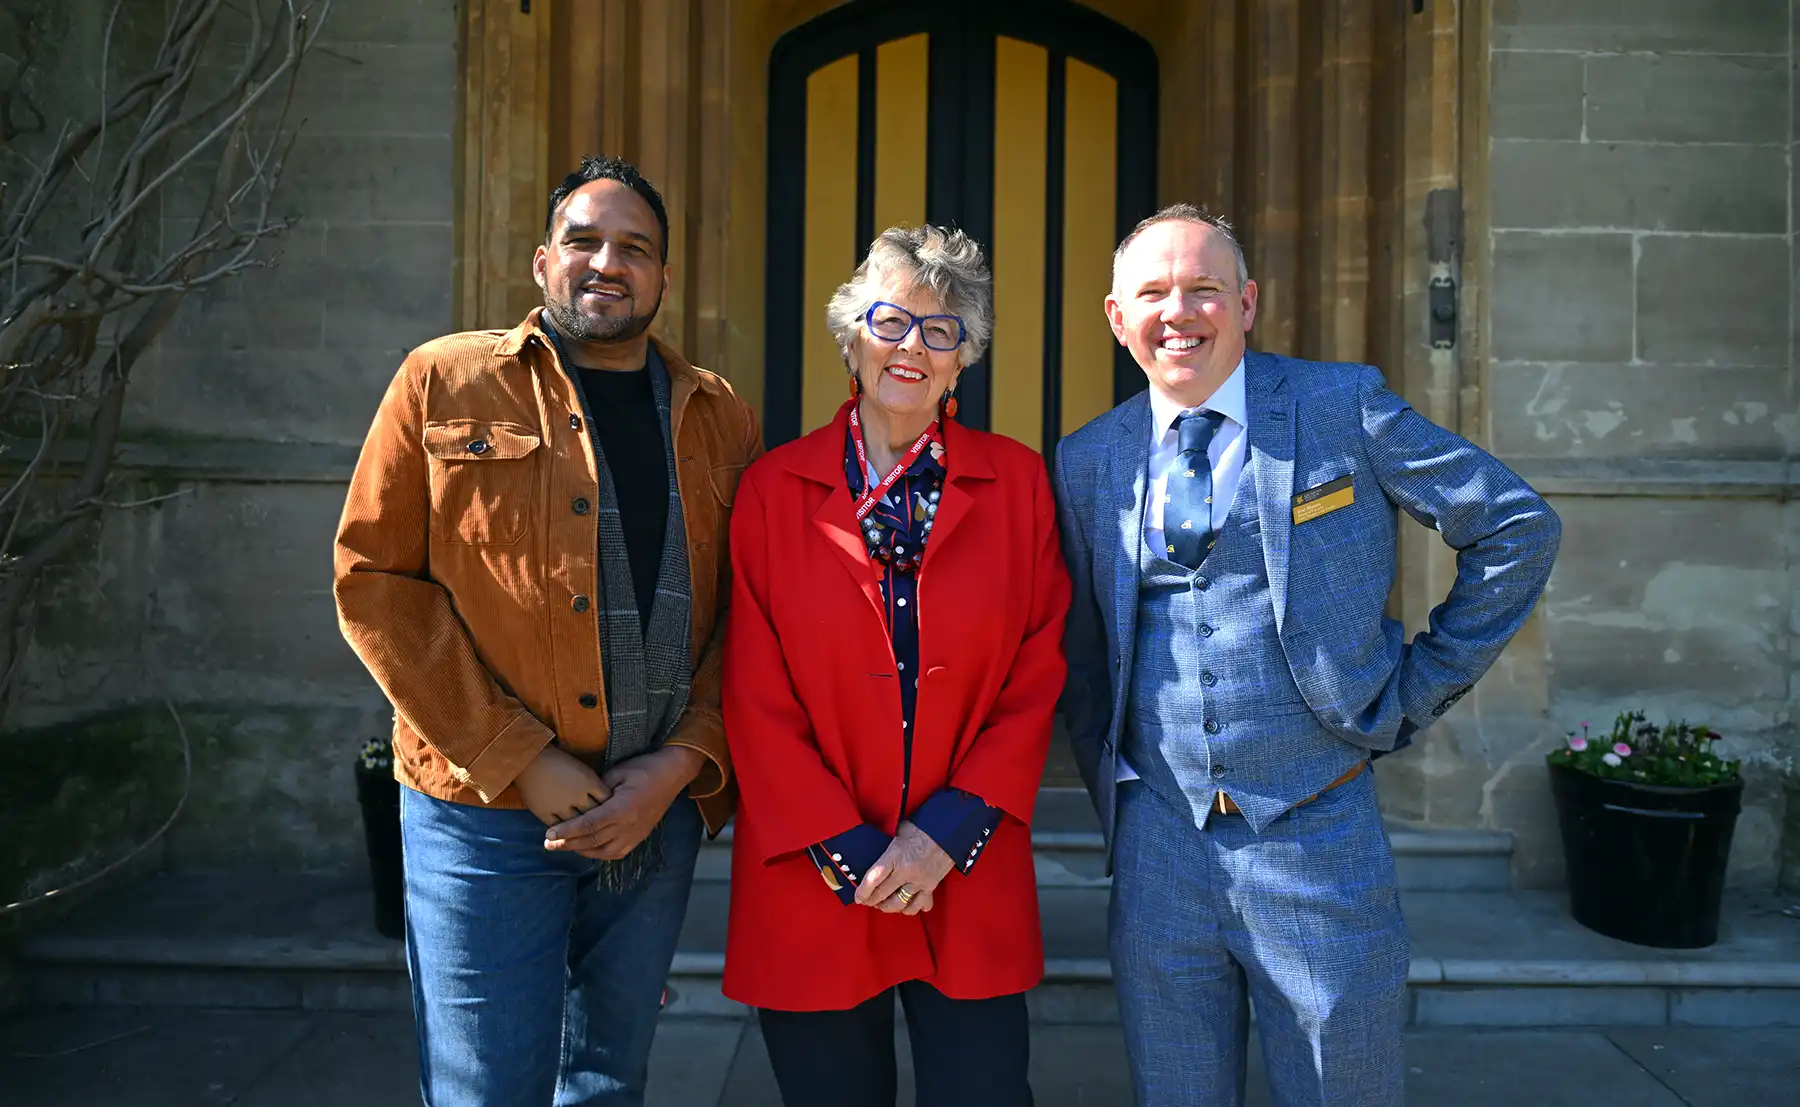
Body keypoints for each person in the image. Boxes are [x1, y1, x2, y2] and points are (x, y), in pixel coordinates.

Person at [1053, 205, 1561, 1107]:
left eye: (1205, 288)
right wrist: (1120, 797)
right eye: (1155, 292)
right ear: (1116, 316)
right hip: (1159, 848)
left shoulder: (1340, 406)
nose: (1181, 310)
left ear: (1246, 303)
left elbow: (1516, 524)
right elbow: (1085, 653)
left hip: (1315, 827)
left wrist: (1417, 686)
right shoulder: (1088, 458)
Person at [333, 155, 761, 1107]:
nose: (608, 262)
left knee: (609, 1081)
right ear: (541, 261)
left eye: (635, 249)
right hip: (481, 816)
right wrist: (521, 757)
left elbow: (751, 609)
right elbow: (376, 582)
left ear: (663, 277)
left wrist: (683, 761)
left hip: (652, 816)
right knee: (487, 1088)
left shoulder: (721, 415)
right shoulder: (440, 381)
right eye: (585, 240)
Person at [720, 225, 1069, 1107]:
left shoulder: (1020, 485)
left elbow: (1036, 675)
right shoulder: (770, 490)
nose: (912, 346)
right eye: (891, 320)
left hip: (967, 864)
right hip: (817, 871)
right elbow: (755, 694)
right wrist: (852, 852)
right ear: (851, 336)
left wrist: (944, 833)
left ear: (963, 360)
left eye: (941, 330)